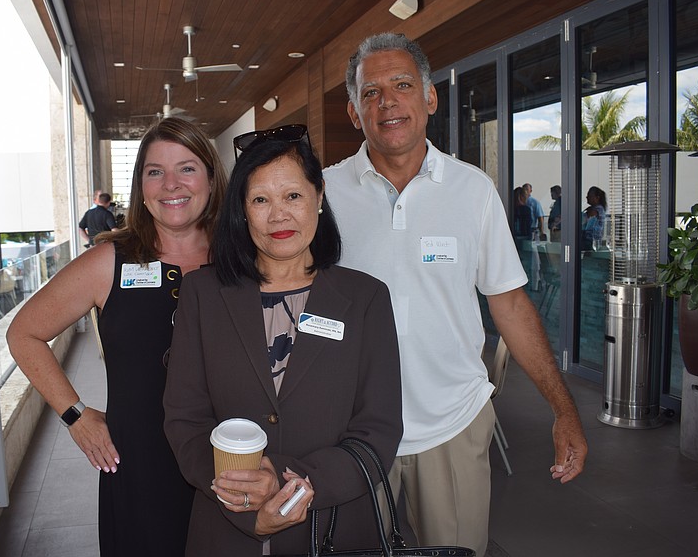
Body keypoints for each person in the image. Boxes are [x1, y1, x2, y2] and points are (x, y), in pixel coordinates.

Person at [323, 32, 588, 557]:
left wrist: (564, 410)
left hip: (451, 420)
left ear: (429, 97)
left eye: (402, 85)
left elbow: (509, 303)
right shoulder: (322, 194)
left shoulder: (473, 192)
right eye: (370, 92)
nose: (388, 102)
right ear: (354, 113)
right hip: (345, 428)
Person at [163, 126, 403, 556]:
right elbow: (185, 420)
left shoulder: (365, 299)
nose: (279, 215)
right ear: (242, 209)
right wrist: (242, 501)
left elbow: (378, 432)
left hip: (334, 527)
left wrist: (287, 479)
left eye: (292, 195)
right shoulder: (203, 294)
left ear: (319, 195)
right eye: (260, 200)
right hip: (226, 528)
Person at [6, 118, 228, 556]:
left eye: (186, 168)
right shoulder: (111, 260)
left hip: (230, 459)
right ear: (140, 186)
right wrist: (76, 416)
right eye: (154, 171)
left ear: (209, 177)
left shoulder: (239, 257)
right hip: (141, 467)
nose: (171, 185)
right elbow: (23, 333)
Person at [582, 186, 607, 250]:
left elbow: (584, 220)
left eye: (589, 195)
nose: (587, 197)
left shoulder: (597, 209)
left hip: (591, 241)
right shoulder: (594, 208)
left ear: (597, 198)